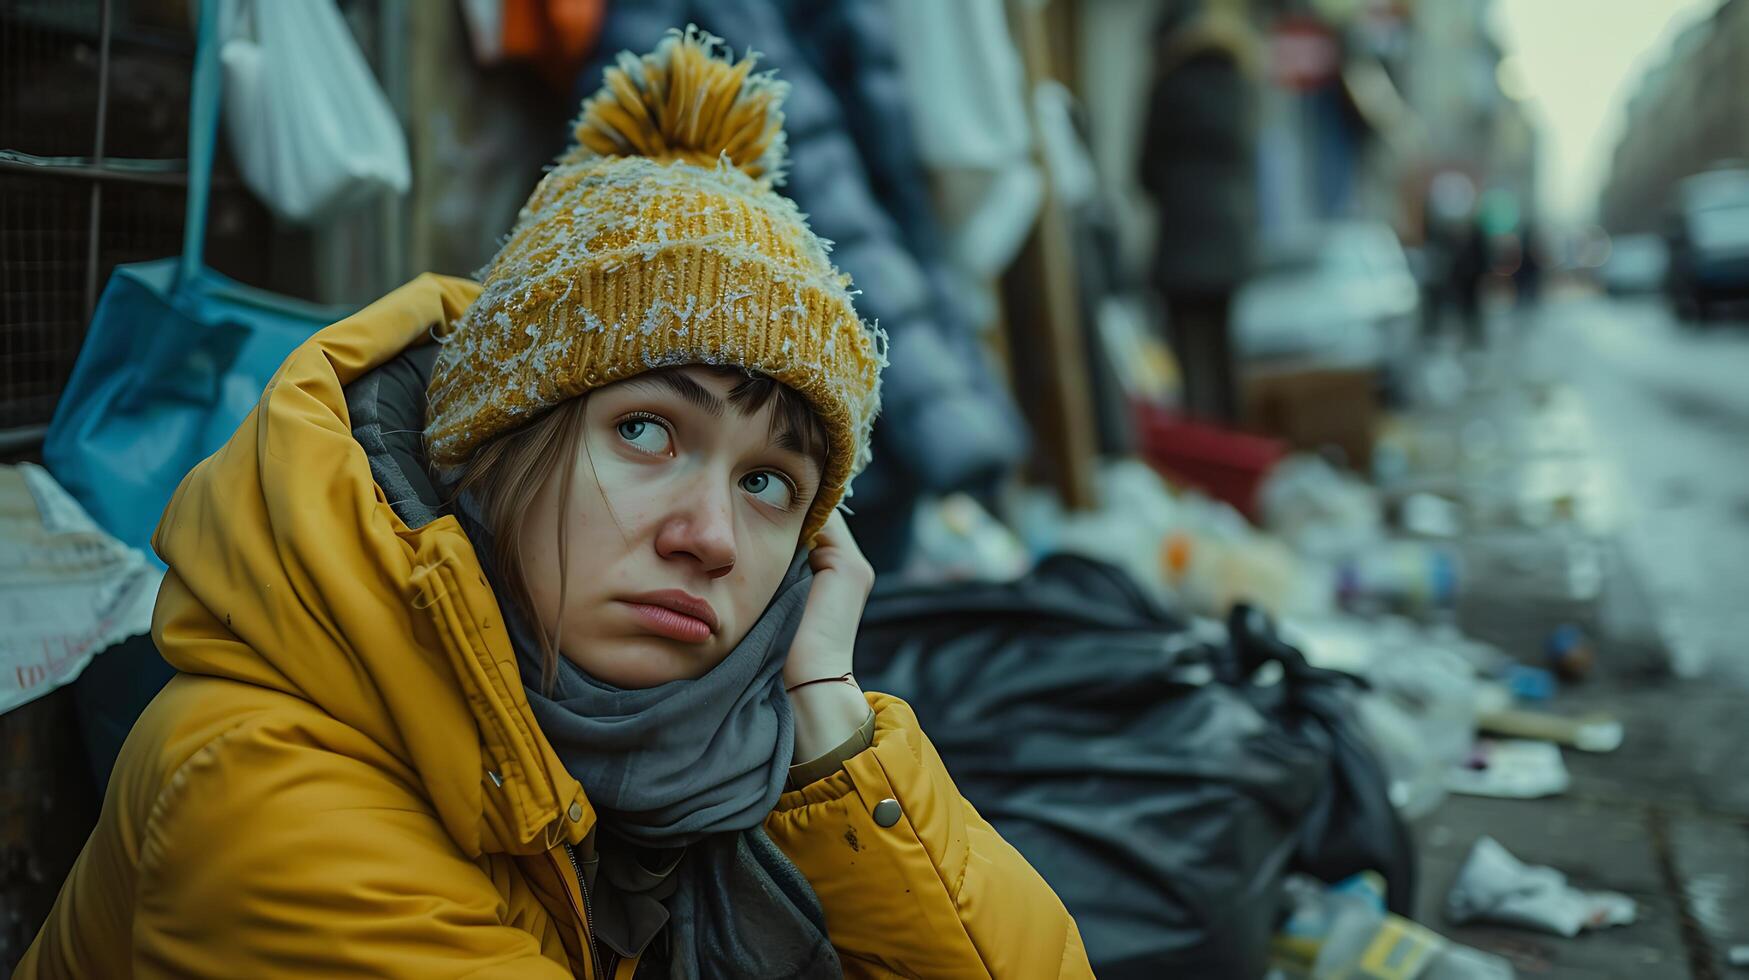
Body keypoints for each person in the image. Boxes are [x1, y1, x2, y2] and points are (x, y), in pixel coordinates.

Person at [17, 29, 1091, 980]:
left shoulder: (695, 776)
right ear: (492, 446)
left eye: (770, 482)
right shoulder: (272, 794)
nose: (710, 536)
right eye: (644, 430)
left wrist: (830, 723)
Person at [1139, 0, 1259, 426]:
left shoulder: (1168, 85)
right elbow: (1251, 166)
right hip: (1229, 243)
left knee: (1188, 362)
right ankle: (1238, 454)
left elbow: (1144, 173)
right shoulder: (1239, 84)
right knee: (1226, 356)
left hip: (1180, 245)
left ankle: (1204, 461)